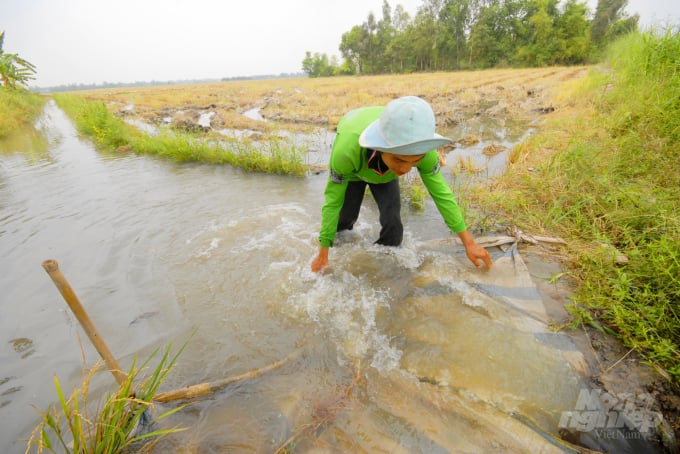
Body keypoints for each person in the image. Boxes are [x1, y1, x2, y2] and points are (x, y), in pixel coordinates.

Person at [311, 95, 492, 272]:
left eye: (414, 161)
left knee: (393, 227)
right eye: (399, 159)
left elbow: (442, 195)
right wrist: (323, 254)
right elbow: (332, 202)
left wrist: (469, 243)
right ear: (381, 147)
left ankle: (385, 272)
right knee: (344, 221)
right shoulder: (346, 152)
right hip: (353, 171)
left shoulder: (425, 151)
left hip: (386, 173)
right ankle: (337, 246)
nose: (405, 169)